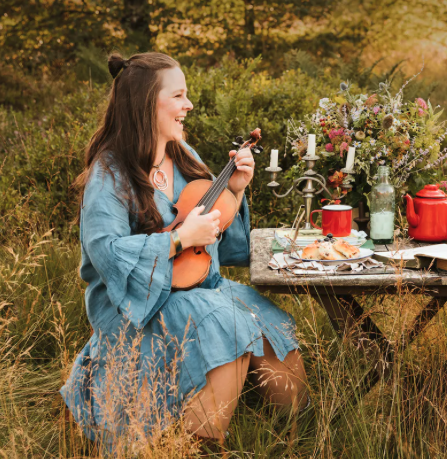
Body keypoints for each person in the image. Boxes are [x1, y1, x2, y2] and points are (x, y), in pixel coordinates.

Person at [60, 52, 308, 450]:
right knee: (225, 324)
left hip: (196, 288)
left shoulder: (183, 153)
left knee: (268, 325)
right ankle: (195, 446)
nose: (188, 105)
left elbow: (216, 233)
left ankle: (292, 438)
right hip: (139, 308)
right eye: (178, 96)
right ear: (146, 104)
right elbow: (107, 253)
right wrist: (177, 239)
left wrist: (238, 188)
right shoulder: (110, 174)